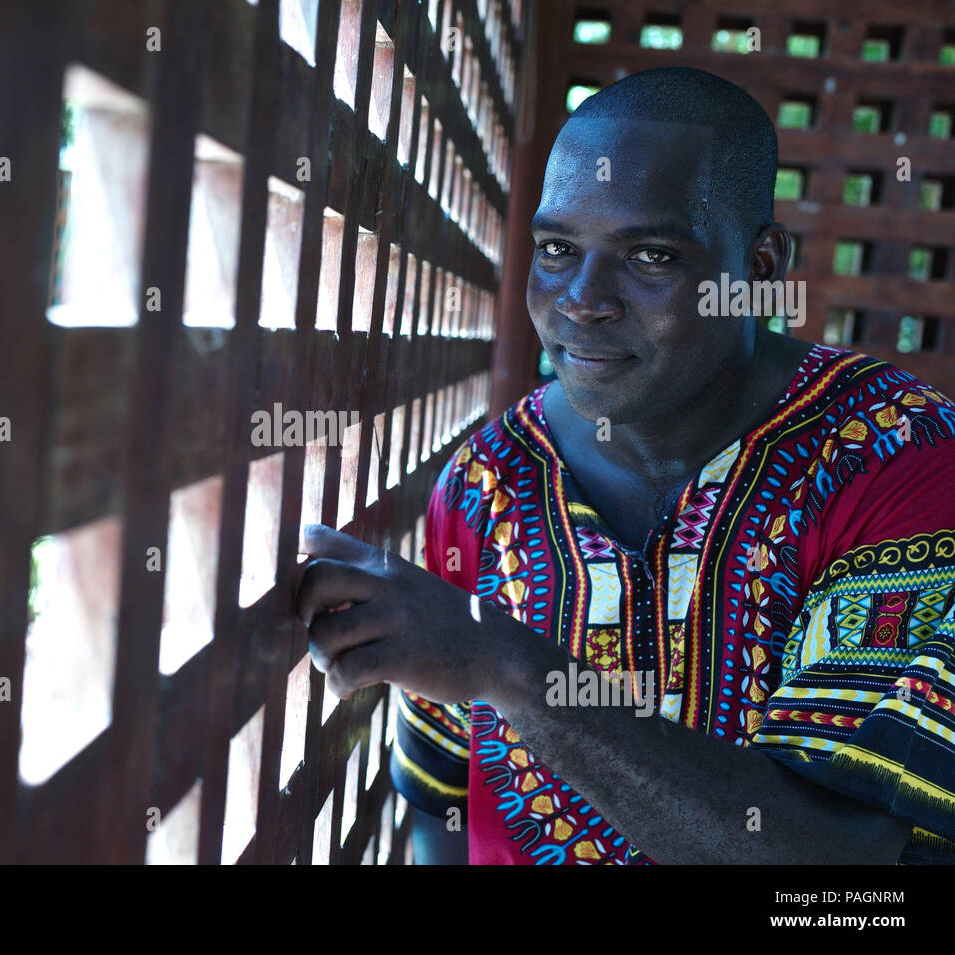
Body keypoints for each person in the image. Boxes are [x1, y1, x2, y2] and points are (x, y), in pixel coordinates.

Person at [294, 66, 955, 864]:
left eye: (649, 255)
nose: (582, 299)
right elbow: (439, 801)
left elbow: (839, 863)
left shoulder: (893, 451)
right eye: (556, 249)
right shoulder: (486, 485)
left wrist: (505, 662)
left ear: (762, 269)